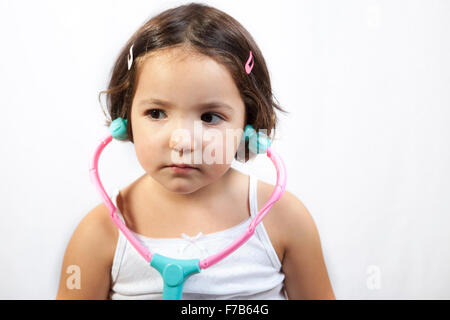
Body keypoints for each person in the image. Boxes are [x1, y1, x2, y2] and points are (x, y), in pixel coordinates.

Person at [56, 2, 335, 300]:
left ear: (248, 126)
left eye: (210, 117)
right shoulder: (99, 231)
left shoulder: (285, 218)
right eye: (156, 113)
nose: (182, 142)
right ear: (125, 120)